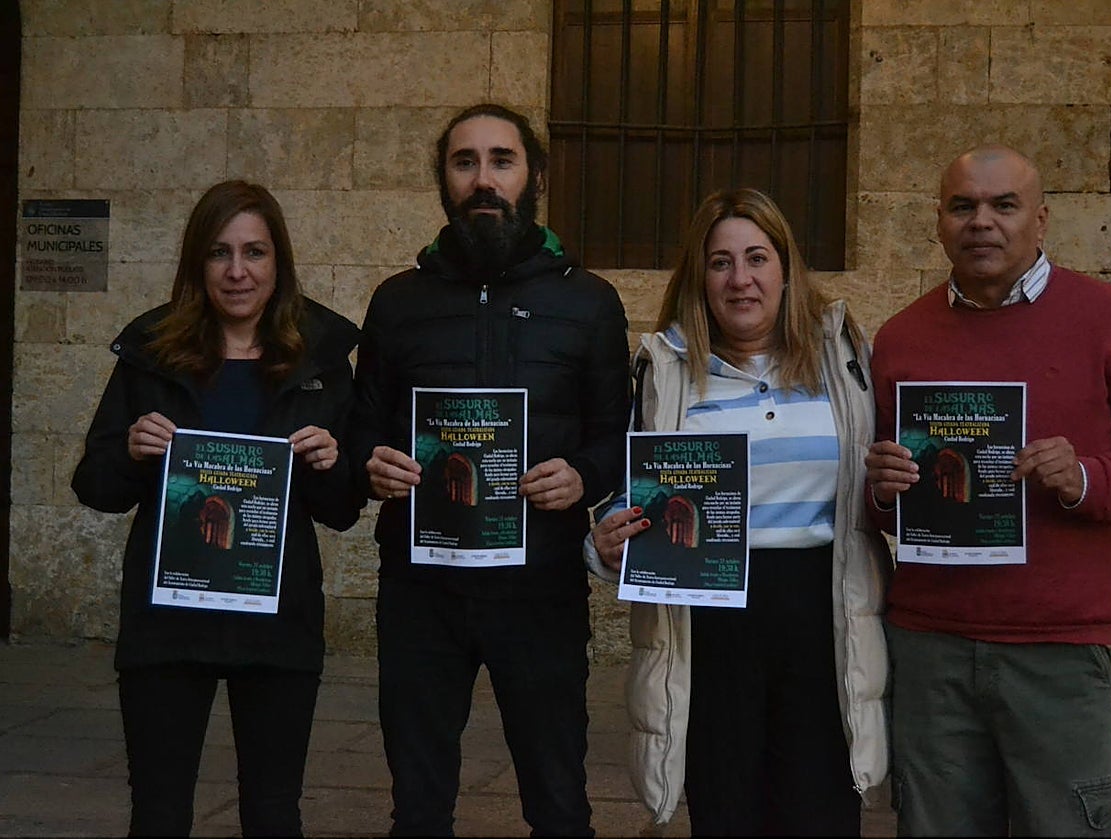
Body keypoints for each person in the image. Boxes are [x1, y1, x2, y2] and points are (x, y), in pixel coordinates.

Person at [865, 144, 1111, 837]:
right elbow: (878, 491)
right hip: (931, 649)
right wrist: (883, 489)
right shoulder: (901, 337)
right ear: (939, 221)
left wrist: (1085, 477)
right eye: (963, 206)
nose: (981, 222)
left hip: (1058, 651)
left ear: (1040, 221)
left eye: (1002, 205)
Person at [350, 103, 630, 838]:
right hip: (420, 588)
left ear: (533, 174)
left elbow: (617, 433)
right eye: (464, 161)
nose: (483, 179)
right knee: (417, 801)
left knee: (559, 798)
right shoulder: (397, 302)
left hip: (539, 588)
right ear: (442, 179)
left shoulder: (589, 302)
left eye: (501, 160)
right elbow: (363, 428)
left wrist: (583, 474)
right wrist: (370, 464)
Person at [587, 188, 893, 837]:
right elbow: (623, 489)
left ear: (786, 267)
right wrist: (606, 541)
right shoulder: (665, 370)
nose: (741, 278)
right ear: (700, 276)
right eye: (721, 262)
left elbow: (878, 481)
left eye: (757, 257)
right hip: (711, 620)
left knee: (822, 812)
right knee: (726, 812)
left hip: (823, 612)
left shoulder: (843, 359)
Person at [71, 180, 362, 837]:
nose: (237, 272)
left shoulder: (320, 361)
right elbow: (95, 486)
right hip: (168, 622)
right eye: (219, 253)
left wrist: (329, 461)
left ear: (278, 263)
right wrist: (134, 450)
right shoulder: (152, 354)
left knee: (271, 813)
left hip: (277, 619)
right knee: (160, 813)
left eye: (255, 253)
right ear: (195, 265)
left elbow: (343, 508)